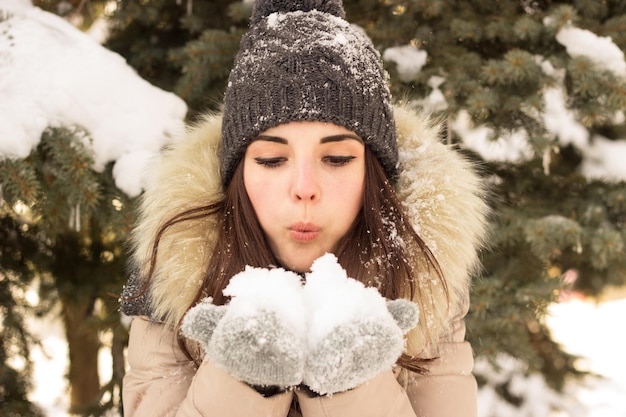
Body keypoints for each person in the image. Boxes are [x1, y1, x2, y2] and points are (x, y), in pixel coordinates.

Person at [119, 0, 490, 415]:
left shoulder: (423, 278)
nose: (304, 189)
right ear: (237, 175)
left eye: (336, 159)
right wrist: (246, 376)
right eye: (272, 160)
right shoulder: (174, 276)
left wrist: (350, 380)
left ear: (374, 176)